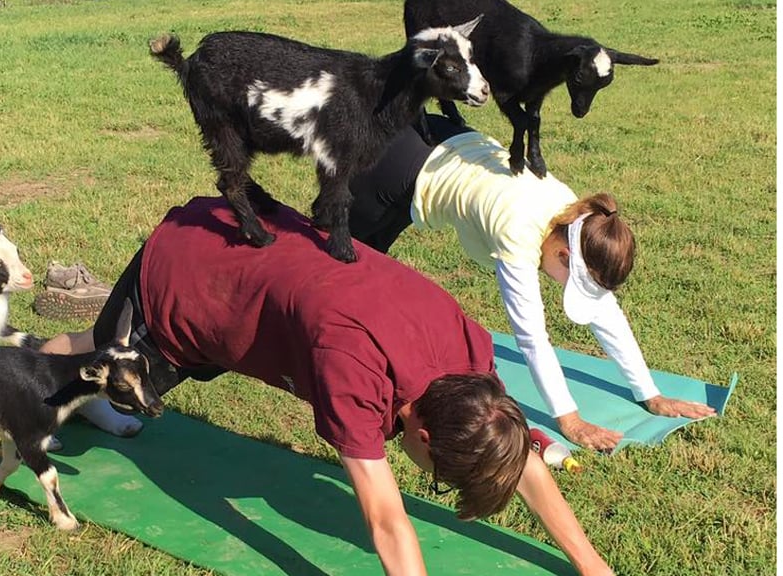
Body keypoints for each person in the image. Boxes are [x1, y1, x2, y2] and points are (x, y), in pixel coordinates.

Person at [41, 196, 613, 575]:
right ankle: (25, 376)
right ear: (424, 434)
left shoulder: (470, 362)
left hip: (264, 266)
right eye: (435, 477)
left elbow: (518, 455)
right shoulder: (354, 373)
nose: (425, 479)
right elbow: (387, 519)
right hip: (190, 276)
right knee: (95, 365)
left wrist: (590, 564)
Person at [347, 114, 715, 451]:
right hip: (395, 160)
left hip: (444, 138)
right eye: (574, 283)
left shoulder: (579, 220)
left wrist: (649, 393)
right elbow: (532, 338)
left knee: (365, 268)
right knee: (345, 265)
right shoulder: (520, 232)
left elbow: (606, 314)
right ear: (565, 258)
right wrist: (569, 420)